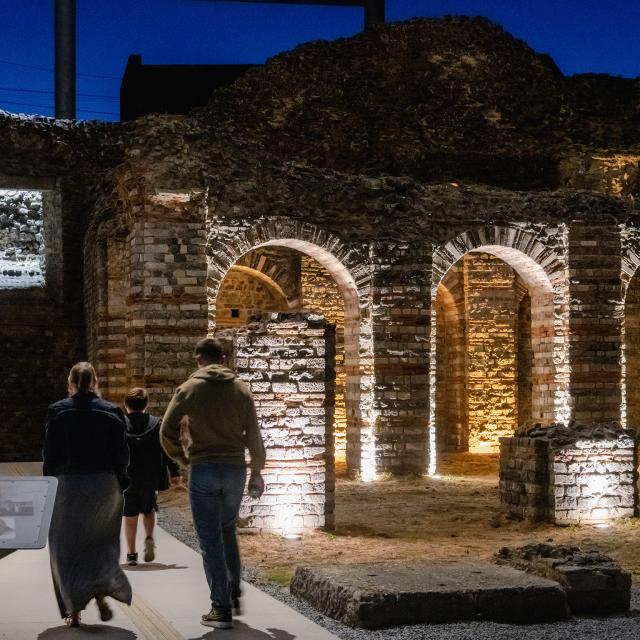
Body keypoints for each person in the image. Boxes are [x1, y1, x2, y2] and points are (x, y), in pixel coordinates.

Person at [161, 338, 265, 630]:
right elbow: (254, 436)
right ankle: (233, 591)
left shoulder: (190, 389)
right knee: (227, 529)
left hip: (204, 468)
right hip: (234, 469)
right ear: (223, 357)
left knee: (209, 540)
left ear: (199, 359)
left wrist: (183, 459)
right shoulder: (241, 389)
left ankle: (220, 608)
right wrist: (257, 470)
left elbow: (166, 429)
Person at [42, 362, 132, 627]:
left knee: (65, 548)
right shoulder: (112, 412)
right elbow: (122, 453)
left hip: (69, 486)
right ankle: (101, 592)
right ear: (95, 382)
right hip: (104, 485)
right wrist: (120, 482)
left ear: (70, 382)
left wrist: (51, 482)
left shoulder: (57, 412)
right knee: (101, 543)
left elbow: (50, 454)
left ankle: (74, 610)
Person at [123, 387, 182, 566]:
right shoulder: (156, 424)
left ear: (126, 405)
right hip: (150, 475)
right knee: (148, 509)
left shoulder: (120, 424)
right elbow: (166, 449)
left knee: (130, 514)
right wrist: (175, 472)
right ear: (146, 404)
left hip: (128, 476)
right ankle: (149, 537)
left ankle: (131, 553)